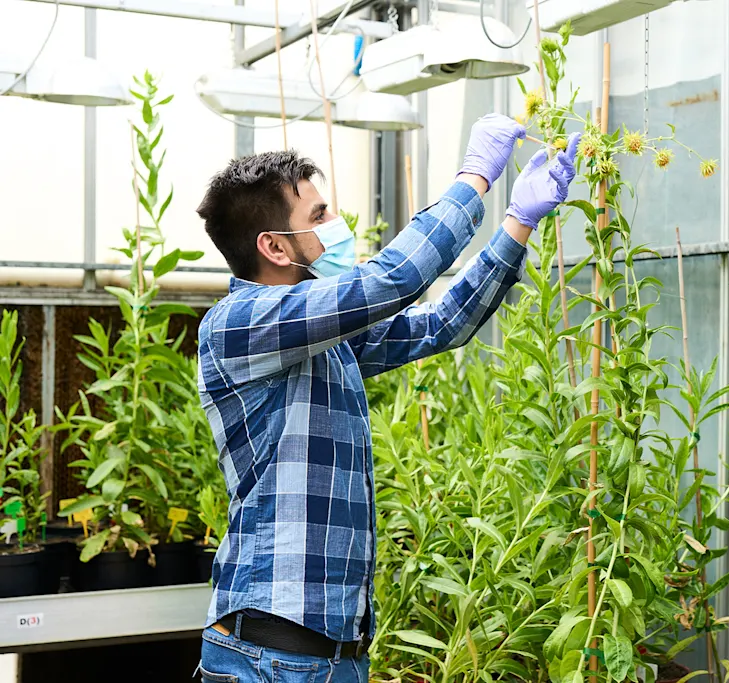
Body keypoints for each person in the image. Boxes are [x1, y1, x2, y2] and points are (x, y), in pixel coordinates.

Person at [192, 114, 581, 683]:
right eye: (318, 216)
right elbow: (391, 280)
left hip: (332, 655)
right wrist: (474, 179)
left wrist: (518, 223)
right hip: (271, 658)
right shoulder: (239, 325)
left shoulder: (322, 338)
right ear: (273, 246)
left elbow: (438, 326)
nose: (336, 224)